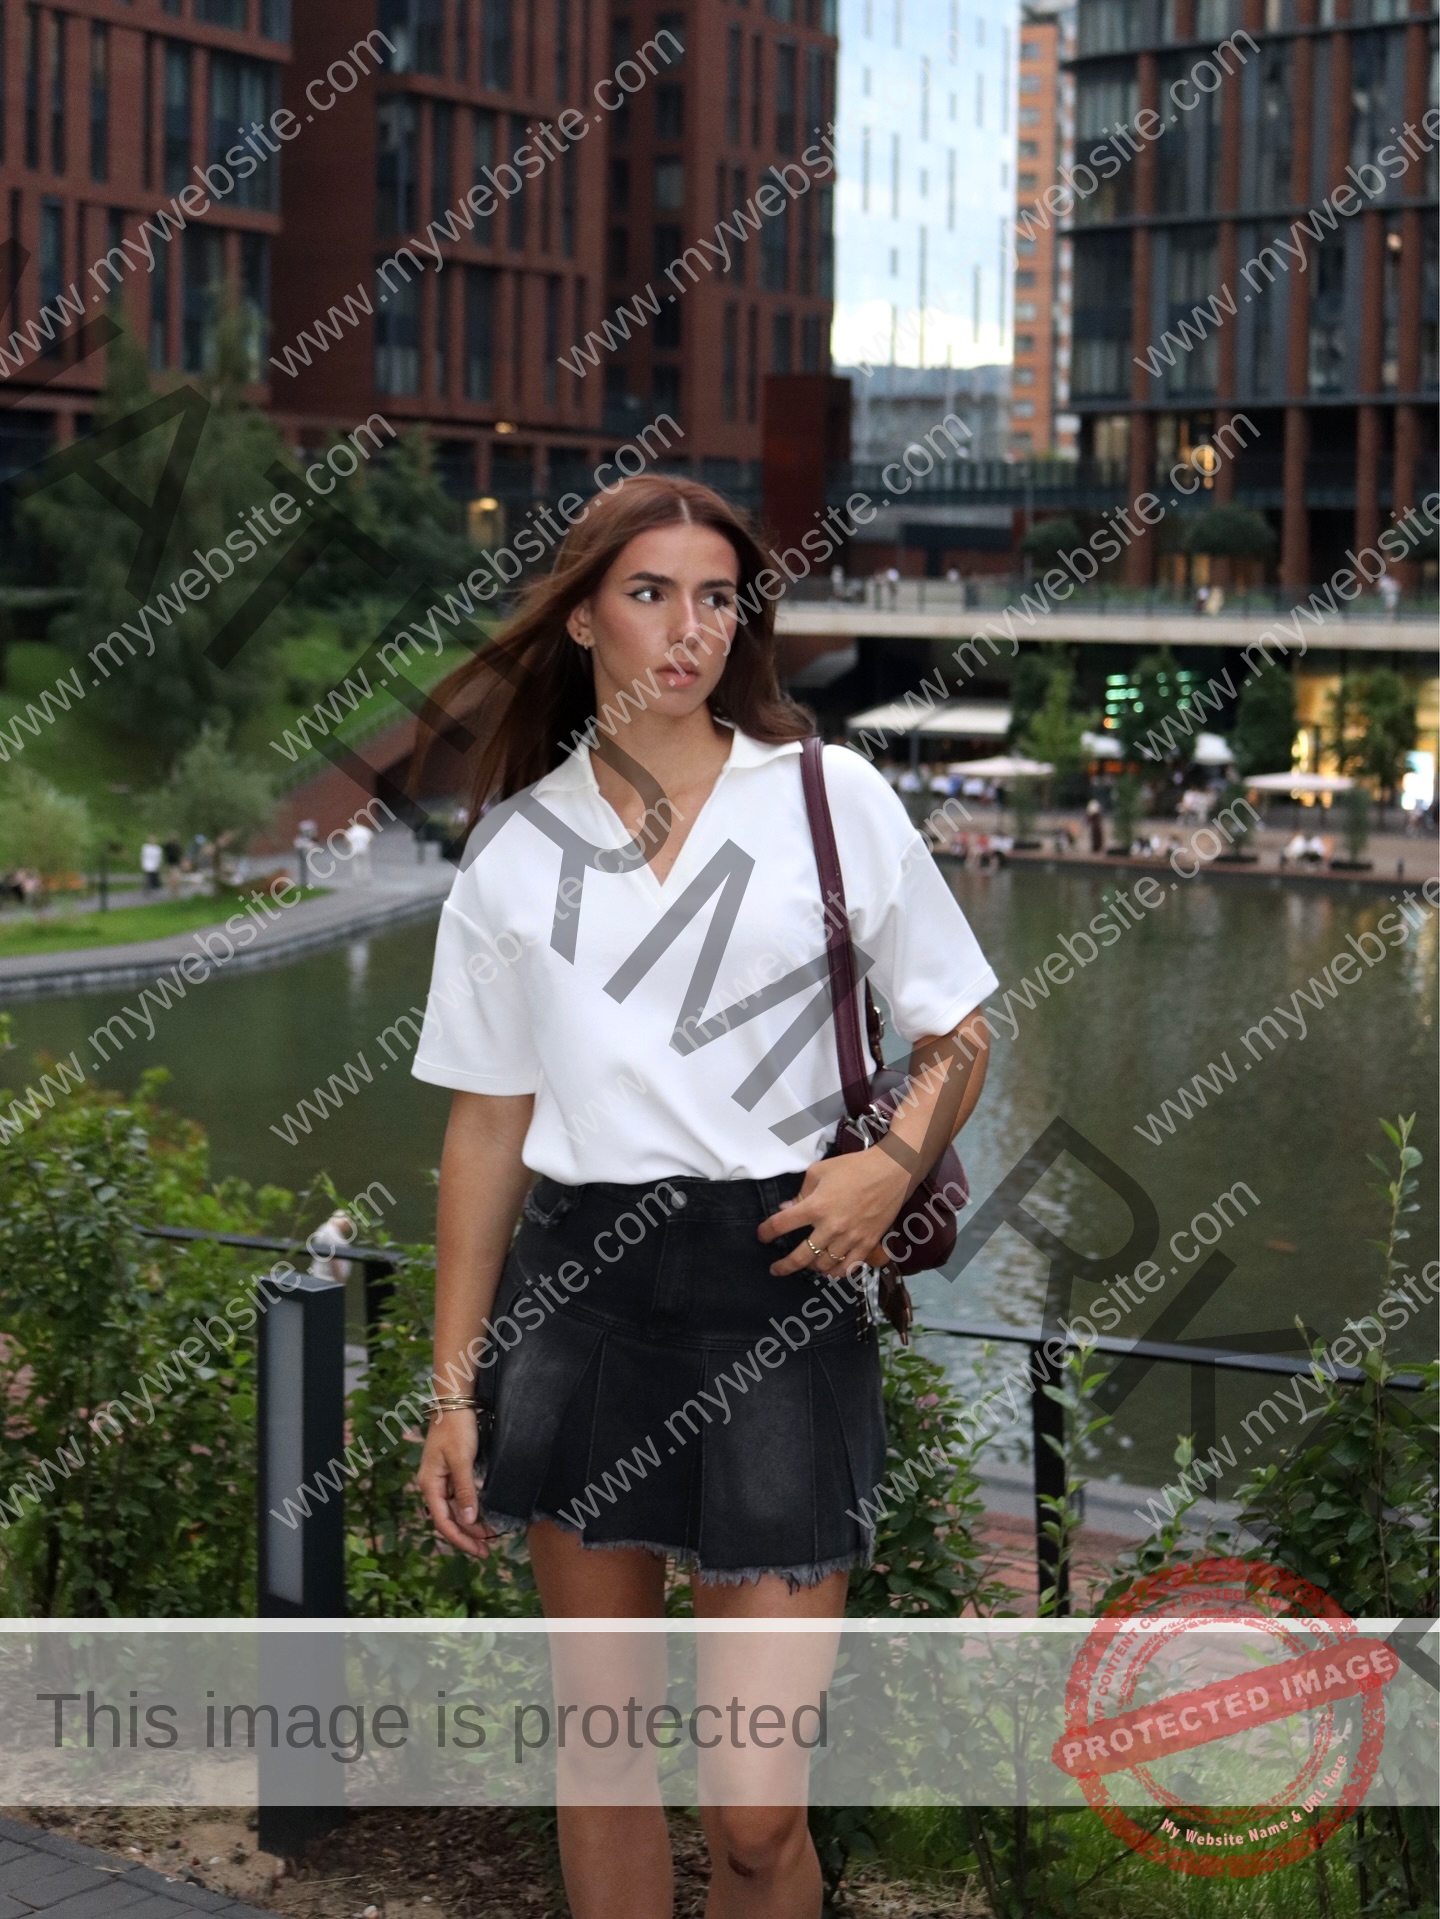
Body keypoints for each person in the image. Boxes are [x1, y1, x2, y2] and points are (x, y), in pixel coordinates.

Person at [411, 475, 997, 1917]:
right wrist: (450, 1385)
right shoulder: (513, 854)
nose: (689, 627)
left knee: (751, 1810)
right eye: (651, 593)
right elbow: (486, 1133)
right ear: (586, 617)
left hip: (779, 1286)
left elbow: (962, 1027)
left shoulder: (826, 796)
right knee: (602, 1755)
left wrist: (896, 1158)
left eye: (717, 595)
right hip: (581, 1299)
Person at [344, 815, 374, 883]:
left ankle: (356, 878)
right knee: (366, 864)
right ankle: (367, 878)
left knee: (356, 864)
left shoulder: (351, 831)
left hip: (354, 850)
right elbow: (371, 838)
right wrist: (369, 845)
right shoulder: (365, 830)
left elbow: (346, 840)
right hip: (364, 849)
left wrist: (348, 846)